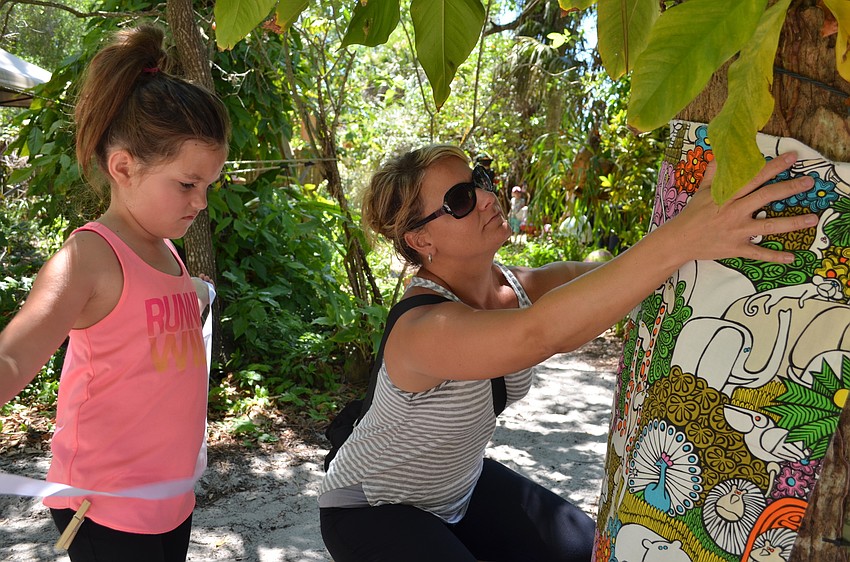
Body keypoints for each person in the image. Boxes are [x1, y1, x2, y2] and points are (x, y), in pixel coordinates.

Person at [318, 144, 817, 562]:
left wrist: (698, 234)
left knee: (589, 551)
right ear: (420, 238)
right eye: (462, 198)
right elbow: (540, 334)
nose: (488, 197)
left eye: (482, 179)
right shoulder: (423, 329)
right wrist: (681, 236)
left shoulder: (517, 285)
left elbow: (611, 279)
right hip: (372, 505)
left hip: (459, 489)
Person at [0, 25, 230, 562]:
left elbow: (143, 330)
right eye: (186, 184)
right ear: (124, 167)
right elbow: (12, 357)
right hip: (102, 509)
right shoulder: (89, 259)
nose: (200, 203)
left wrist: (195, 294)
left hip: (167, 501)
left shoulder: (165, 250)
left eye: (208, 187)